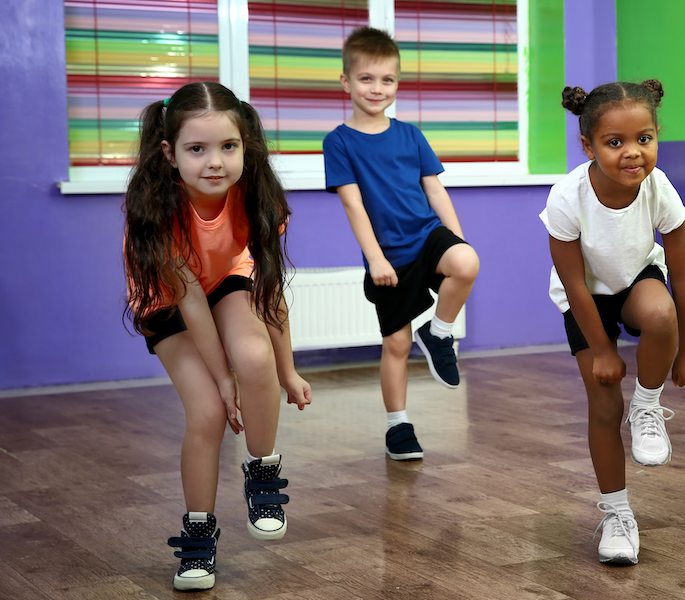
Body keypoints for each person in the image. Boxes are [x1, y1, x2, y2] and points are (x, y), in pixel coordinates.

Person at [123, 81, 312, 591]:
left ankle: (262, 469)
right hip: (168, 302)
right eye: (197, 149)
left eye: (228, 147)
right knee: (207, 411)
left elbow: (269, 286)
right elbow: (189, 304)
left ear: (244, 147)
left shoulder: (257, 198)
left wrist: (287, 369)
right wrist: (222, 383)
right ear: (169, 153)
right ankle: (199, 535)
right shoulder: (160, 212)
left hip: (225, 279)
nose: (215, 162)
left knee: (256, 359)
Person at [543, 79, 685, 565]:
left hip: (636, 278)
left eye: (644, 139)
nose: (633, 153)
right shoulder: (567, 198)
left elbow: (684, 275)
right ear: (588, 145)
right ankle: (617, 514)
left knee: (659, 312)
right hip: (585, 300)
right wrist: (605, 351)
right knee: (604, 406)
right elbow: (573, 285)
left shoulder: (659, 188)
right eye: (615, 143)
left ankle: (648, 407)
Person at [323, 27, 480, 461]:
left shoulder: (410, 135)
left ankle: (439, 332)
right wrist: (375, 259)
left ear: (397, 84)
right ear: (346, 82)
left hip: (428, 235)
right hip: (389, 256)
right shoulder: (338, 142)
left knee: (466, 261)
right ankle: (398, 427)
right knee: (395, 343)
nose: (377, 89)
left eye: (387, 80)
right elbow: (354, 206)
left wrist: (456, 240)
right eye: (366, 79)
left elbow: (436, 192)